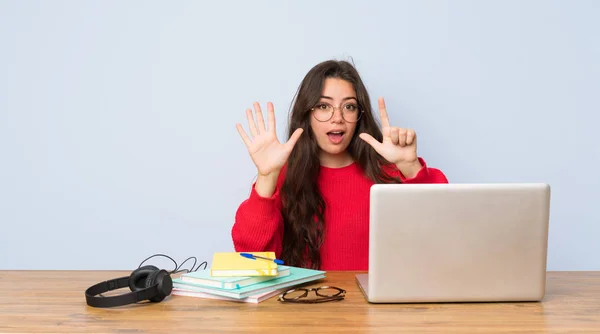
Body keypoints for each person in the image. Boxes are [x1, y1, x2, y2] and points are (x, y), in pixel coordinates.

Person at [232, 60, 448, 271]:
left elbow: (445, 232)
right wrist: (267, 176)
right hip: (304, 305)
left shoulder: (390, 174)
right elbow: (252, 262)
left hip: (378, 307)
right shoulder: (284, 178)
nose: (338, 118)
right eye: (324, 106)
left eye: (349, 107)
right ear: (307, 115)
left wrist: (410, 166)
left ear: (359, 115)